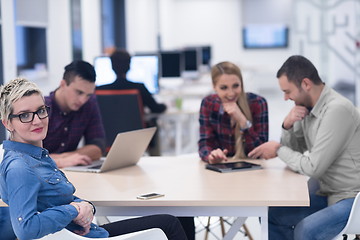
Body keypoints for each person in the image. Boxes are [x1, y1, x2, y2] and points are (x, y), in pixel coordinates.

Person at [0, 78, 187, 240]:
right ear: (8, 123)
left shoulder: (35, 156)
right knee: (168, 224)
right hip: (83, 237)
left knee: (173, 220)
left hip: (88, 232)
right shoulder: (20, 167)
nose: (37, 120)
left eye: (41, 110)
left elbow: (55, 200)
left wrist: (86, 205)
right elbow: (25, 229)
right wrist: (73, 210)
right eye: (25, 115)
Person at [248, 55, 360, 240]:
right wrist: (287, 124)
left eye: (287, 91)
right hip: (327, 191)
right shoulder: (308, 107)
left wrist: (277, 149)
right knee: (271, 216)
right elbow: (295, 150)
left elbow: (312, 167)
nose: (285, 98)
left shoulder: (336, 110)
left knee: (306, 231)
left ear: (306, 84)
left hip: (352, 198)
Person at [199, 61, 269, 163]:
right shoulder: (208, 103)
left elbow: (260, 151)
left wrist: (242, 121)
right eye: (224, 88)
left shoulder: (258, 103)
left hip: (251, 168)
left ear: (242, 84)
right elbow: (205, 143)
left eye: (236, 86)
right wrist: (211, 156)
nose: (231, 93)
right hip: (221, 167)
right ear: (214, 87)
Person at [43, 60, 106, 168]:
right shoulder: (41, 108)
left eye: (88, 95)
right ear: (63, 84)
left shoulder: (89, 104)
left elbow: (98, 146)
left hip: (70, 172)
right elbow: (23, 157)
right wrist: (60, 161)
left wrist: (67, 157)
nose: (83, 100)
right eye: (79, 92)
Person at [96, 48, 167, 114]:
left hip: (108, 127)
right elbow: (156, 109)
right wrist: (165, 105)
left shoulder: (99, 90)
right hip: (137, 127)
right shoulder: (140, 88)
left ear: (112, 66)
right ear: (129, 66)